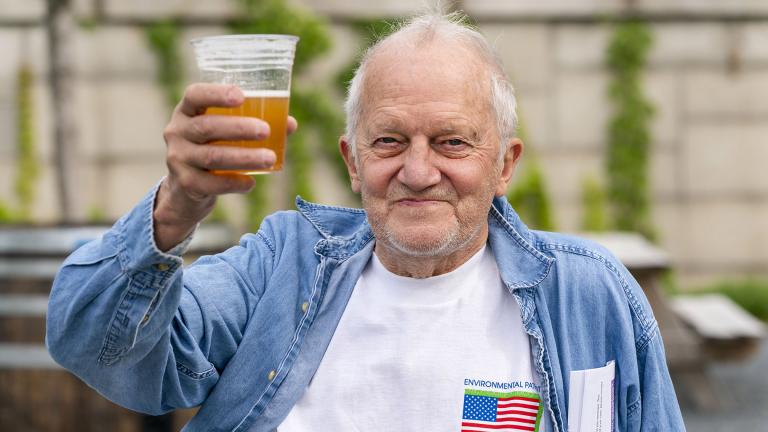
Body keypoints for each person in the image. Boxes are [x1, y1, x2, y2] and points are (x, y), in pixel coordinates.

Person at [46, 11, 685, 432]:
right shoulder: (279, 267)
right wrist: (176, 206)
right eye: (387, 142)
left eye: (452, 143)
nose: (417, 170)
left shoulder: (589, 294)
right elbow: (97, 351)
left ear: (504, 164)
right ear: (352, 161)